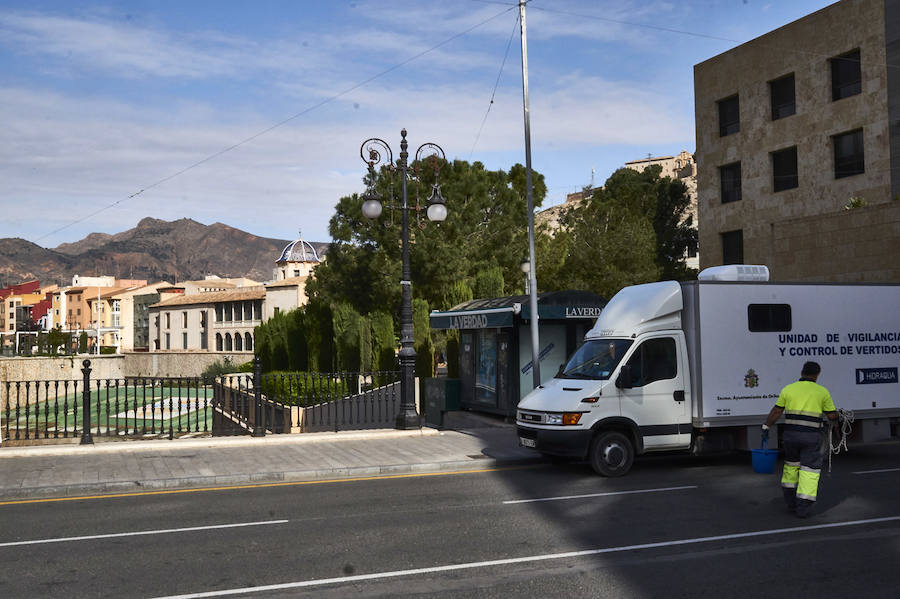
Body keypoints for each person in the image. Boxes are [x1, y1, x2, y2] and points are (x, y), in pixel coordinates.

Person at [762, 361, 838, 518]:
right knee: (809, 470)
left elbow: (776, 411)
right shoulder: (822, 392)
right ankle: (802, 507)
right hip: (811, 437)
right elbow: (831, 415)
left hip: (790, 436)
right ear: (817, 375)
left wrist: (766, 426)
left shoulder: (788, 389)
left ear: (802, 372)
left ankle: (790, 503)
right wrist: (838, 415)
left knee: (791, 467)